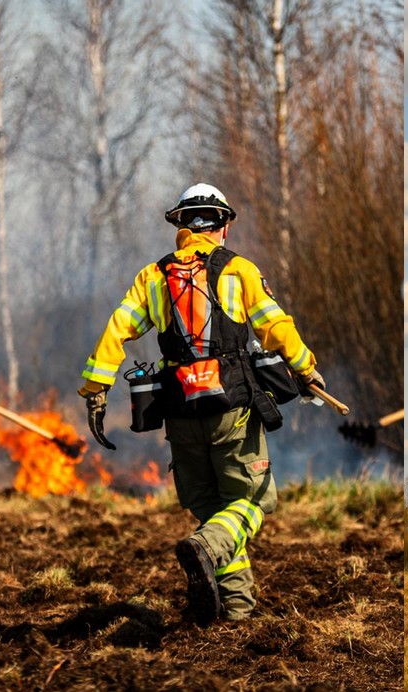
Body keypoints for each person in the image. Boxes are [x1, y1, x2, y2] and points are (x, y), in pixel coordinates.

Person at [78, 183, 323, 625]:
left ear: (181, 225)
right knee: (251, 502)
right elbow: (274, 325)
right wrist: (305, 368)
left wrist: (96, 390)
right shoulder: (239, 270)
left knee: (213, 510)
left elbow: (117, 330)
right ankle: (206, 548)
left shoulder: (152, 278)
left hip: (181, 412)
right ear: (224, 225)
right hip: (232, 407)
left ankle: (237, 612)